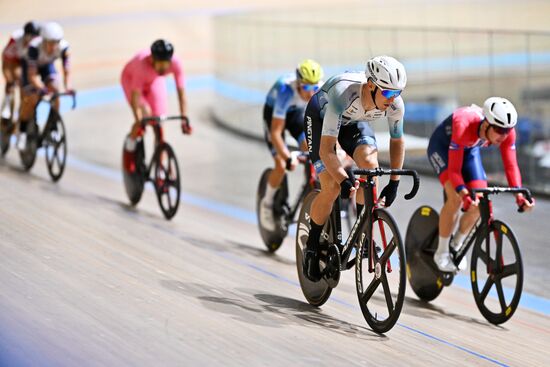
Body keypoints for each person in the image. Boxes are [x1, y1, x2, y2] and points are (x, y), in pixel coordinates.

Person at [302, 55, 408, 281]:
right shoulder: (342, 95)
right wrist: (342, 178)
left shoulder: (395, 103)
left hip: (354, 122)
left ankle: (364, 236)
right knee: (330, 186)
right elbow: (326, 151)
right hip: (322, 119)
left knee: (371, 167)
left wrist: (394, 183)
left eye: (397, 93)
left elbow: (397, 141)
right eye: (388, 93)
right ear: (371, 85)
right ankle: (311, 244)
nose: (393, 99)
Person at [427, 97, 535, 272]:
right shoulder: (463, 123)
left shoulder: (506, 134)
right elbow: (454, 172)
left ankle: (456, 245)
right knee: (455, 198)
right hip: (442, 148)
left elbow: (511, 166)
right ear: (486, 124)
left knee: (481, 200)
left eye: (508, 130)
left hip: (469, 151)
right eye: (500, 130)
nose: (504, 135)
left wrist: (519, 195)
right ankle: (441, 252)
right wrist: (463, 193)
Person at [259, 59, 324, 231]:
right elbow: (275, 132)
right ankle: (267, 203)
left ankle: (309, 185)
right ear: (298, 84)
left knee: (310, 148)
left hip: (295, 114)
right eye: (307, 88)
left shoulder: (320, 90)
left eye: (314, 88)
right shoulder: (285, 90)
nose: (311, 93)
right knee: (281, 164)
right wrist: (288, 157)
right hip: (274, 117)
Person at [121, 39, 190, 172]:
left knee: (159, 120)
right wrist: (138, 121)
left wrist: (184, 118)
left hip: (153, 81)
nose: (163, 69)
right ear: (152, 59)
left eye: (166, 65)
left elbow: (181, 93)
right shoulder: (141, 65)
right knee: (146, 113)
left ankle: (161, 165)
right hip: (131, 81)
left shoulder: (176, 64)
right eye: (160, 64)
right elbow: (136, 98)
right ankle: (130, 149)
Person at [17, 21, 71, 150]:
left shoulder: (64, 48)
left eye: (56, 43)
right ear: (44, 40)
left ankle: (52, 128)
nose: (54, 47)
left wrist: (68, 86)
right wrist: (42, 88)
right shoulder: (34, 48)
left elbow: (67, 70)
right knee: (32, 98)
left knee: (56, 94)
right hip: (31, 69)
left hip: (47, 66)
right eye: (51, 43)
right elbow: (32, 76)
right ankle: (22, 132)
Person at [1, 21, 40, 123]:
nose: (31, 41)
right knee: (10, 81)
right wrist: (9, 79)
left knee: (24, 85)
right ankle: (7, 105)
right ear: (25, 35)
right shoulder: (15, 40)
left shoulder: (36, 44)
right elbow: (6, 60)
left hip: (24, 61)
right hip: (11, 59)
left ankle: (21, 114)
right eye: (29, 38)